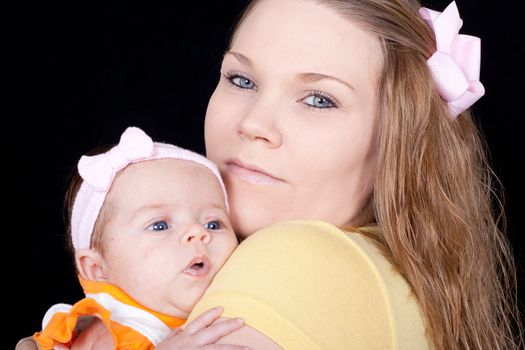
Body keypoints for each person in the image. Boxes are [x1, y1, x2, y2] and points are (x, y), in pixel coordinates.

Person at [17, 0, 522, 349]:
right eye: (241, 79)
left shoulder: (292, 258)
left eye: (319, 99)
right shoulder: (391, 272)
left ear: (398, 140)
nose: (253, 123)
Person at [29, 126, 247, 350]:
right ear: (96, 268)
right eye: (159, 225)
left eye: (213, 224)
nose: (197, 232)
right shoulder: (111, 334)